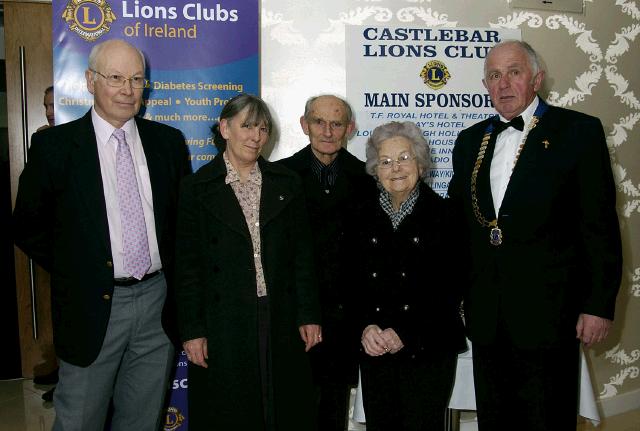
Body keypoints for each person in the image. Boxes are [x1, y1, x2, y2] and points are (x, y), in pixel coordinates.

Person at [13, 39, 190, 431]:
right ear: (91, 81)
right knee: (79, 420)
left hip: (157, 305)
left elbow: (182, 226)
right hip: (92, 307)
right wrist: (77, 269)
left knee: (142, 420)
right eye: (115, 78)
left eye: (137, 79)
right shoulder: (55, 147)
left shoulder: (168, 144)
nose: (128, 90)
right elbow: (27, 224)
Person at [447, 40, 622, 430]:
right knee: (496, 417)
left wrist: (597, 304)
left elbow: (599, 225)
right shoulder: (470, 140)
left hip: (551, 312)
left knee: (547, 417)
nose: (503, 83)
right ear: (485, 84)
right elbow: (458, 224)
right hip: (487, 314)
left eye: (514, 72)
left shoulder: (578, 131)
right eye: (494, 75)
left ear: (537, 78)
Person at [175, 93, 322, 430]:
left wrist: (309, 315)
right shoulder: (196, 188)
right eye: (248, 126)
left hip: (279, 314)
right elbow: (188, 268)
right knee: (231, 411)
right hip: (223, 319)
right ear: (225, 128)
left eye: (263, 129)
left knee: (283, 407)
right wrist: (193, 331)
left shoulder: (286, 183)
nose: (256, 137)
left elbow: (302, 256)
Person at [347, 121, 466, 431]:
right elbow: (349, 283)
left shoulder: (447, 216)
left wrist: (406, 333)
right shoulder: (359, 215)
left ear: (420, 163)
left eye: (404, 158)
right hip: (376, 351)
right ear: (375, 169)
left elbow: (451, 289)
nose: (395, 168)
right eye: (385, 162)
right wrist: (365, 327)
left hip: (427, 350)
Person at [278, 94, 374, 431]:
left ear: (350, 128)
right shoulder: (280, 176)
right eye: (319, 121)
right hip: (292, 317)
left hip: (344, 320)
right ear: (304, 125)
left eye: (337, 123)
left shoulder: (367, 179)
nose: (328, 131)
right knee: (292, 409)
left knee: (333, 412)